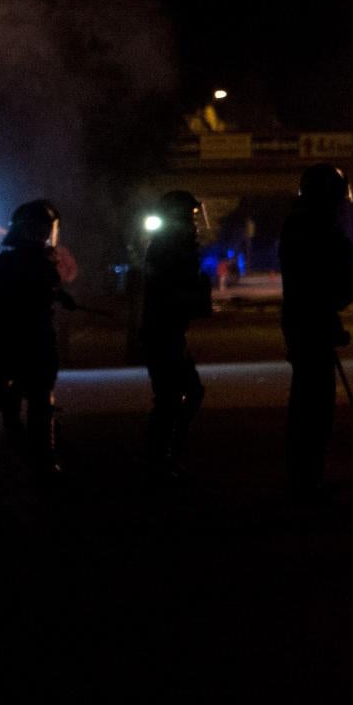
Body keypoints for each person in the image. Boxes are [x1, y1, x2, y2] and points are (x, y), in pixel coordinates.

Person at [279, 165, 353, 505]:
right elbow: (331, 286)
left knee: (307, 400)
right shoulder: (318, 228)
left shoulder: (299, 222)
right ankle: (307, 481)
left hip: (304, 320)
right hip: (313, 321)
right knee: (314, 405)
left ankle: (305, 476)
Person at [139, 190, 214, 485]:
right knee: (173, 398)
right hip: (164, 333)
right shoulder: (171, 248)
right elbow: (173, 294)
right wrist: (198, 293)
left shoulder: (172, 246)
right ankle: (160, 460)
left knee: (178, 395)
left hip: (168, 332)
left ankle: (164, 457)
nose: (194, 222)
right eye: (190, 215)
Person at [0, 199, 72, 487]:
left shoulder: (34, 261)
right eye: (39, 229)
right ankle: (38, 460)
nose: (43, 235)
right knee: (31, 403)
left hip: (32, 342)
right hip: (18, 342)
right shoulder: (13, 263)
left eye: (46, 229)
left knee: (38, 402)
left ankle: (39, 459)